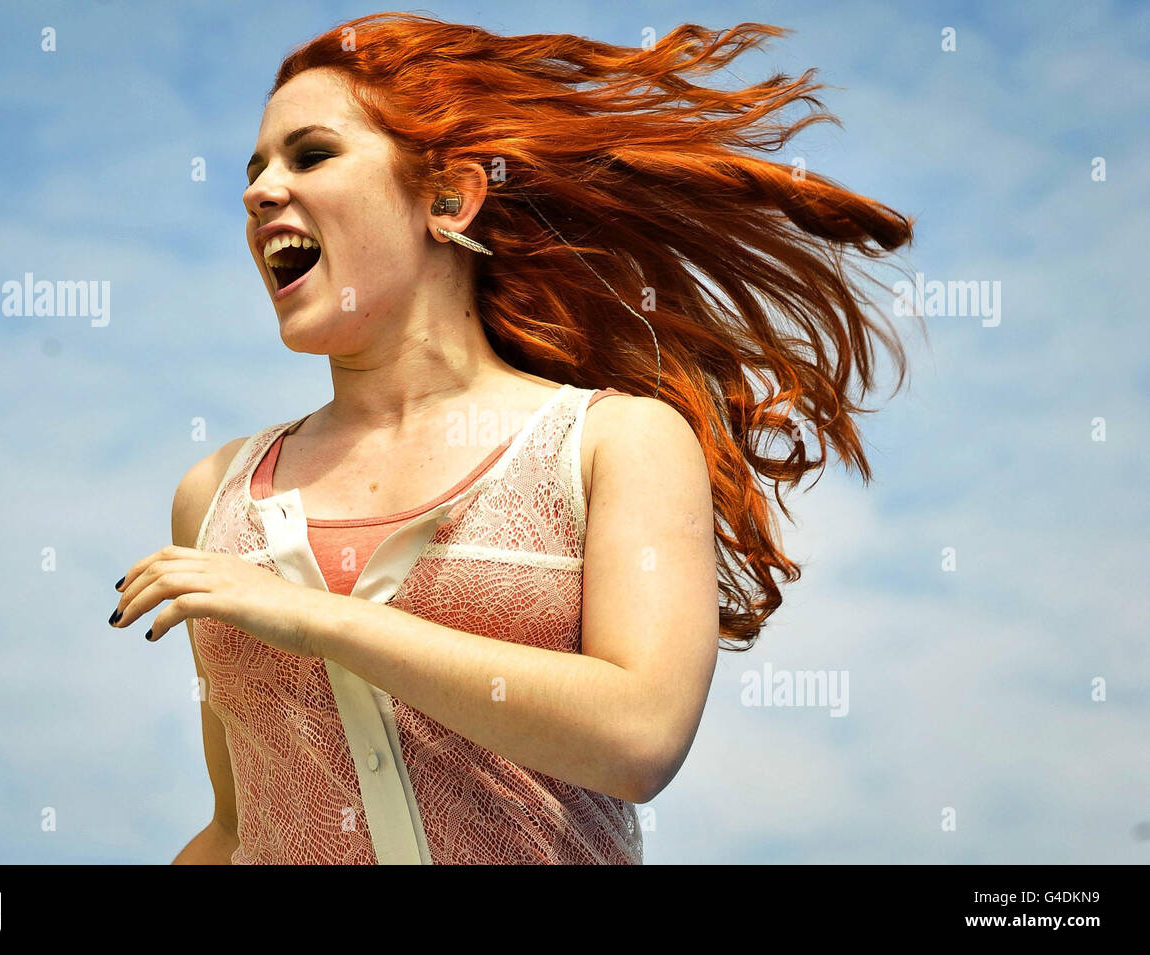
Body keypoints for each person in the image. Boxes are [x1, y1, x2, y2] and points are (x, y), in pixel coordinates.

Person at [110, 13, 913, 864]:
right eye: (255, 170)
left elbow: (639, 736)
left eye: (310, 156)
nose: (259, 191)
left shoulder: (614, 443)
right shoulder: (215, 495)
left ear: (449, 198)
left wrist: (314, 619)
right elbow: (235, 829)